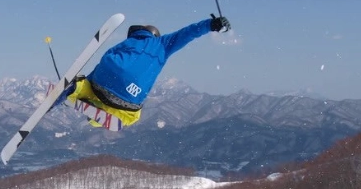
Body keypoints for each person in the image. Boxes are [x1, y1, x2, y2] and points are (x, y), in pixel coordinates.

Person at [57, 15, 231, 127]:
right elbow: (188, 33)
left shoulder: (128, 42)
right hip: (130, 96)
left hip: (105, 77)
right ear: (155, 34)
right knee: (131, 117)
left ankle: (76, 91)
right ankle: (96, 116)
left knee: (90, 86)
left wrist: (82, 82)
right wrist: (212, 24)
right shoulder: (163, 44)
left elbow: (106, 62)